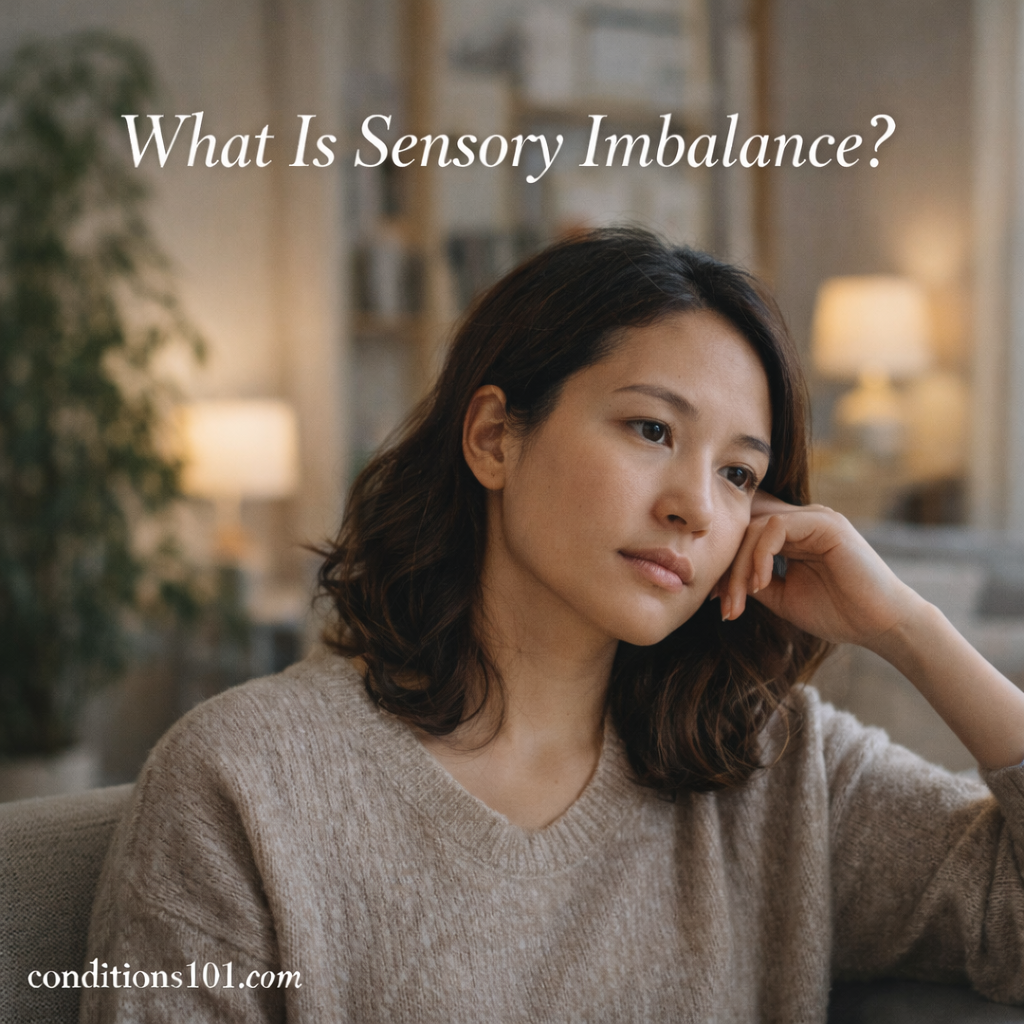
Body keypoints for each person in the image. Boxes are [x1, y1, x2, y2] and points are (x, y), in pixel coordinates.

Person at [81, 228, 1024, 1023]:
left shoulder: (771, 768)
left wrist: (906, 626)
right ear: (494, 437)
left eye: (739, 473)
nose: (695, 507)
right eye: (651, 429)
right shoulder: (245, 783)